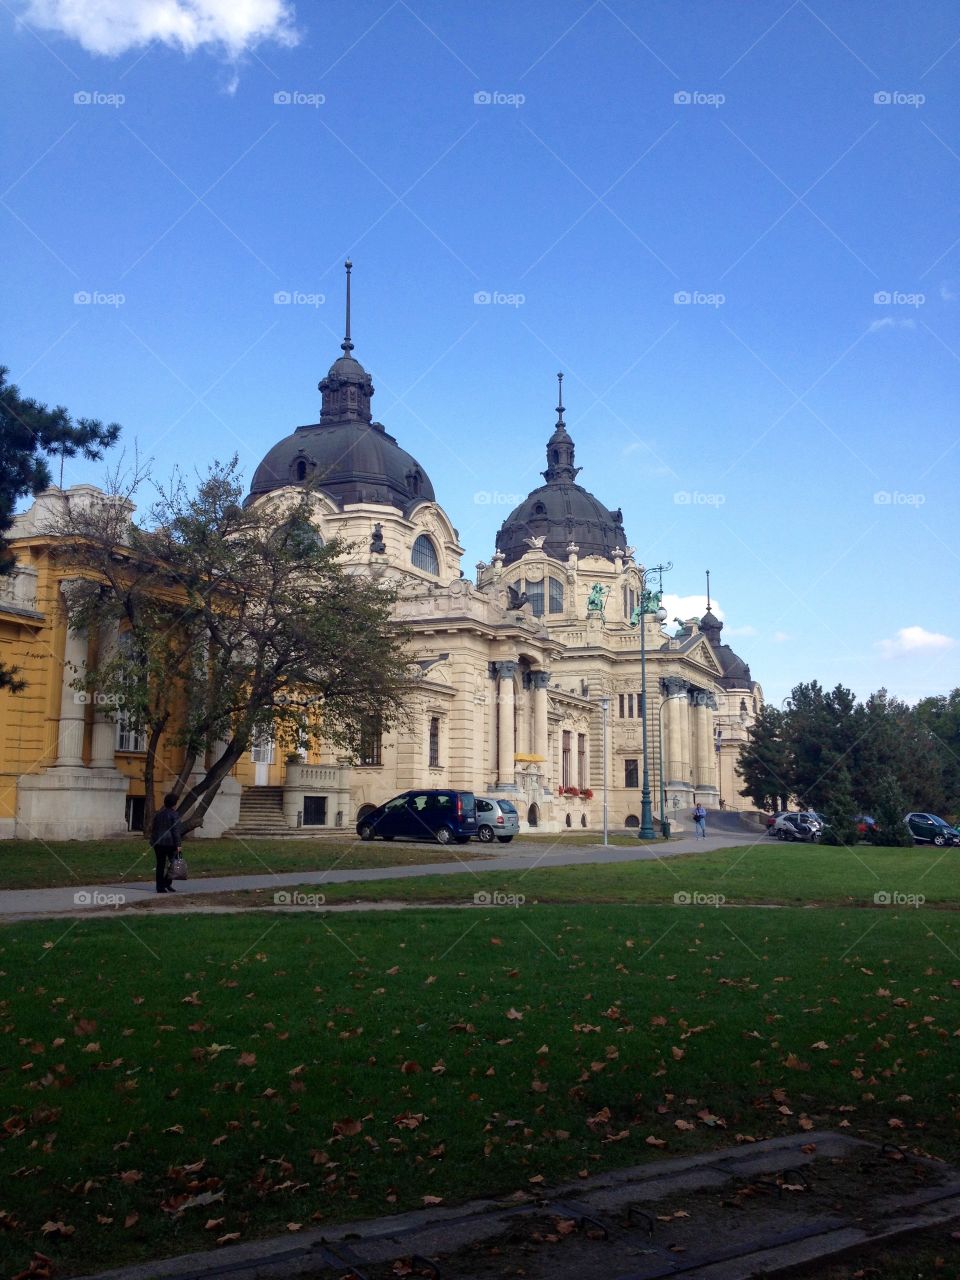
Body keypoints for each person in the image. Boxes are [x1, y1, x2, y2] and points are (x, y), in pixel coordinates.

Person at [150, 793, 182, 893]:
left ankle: (160, 886)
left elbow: (154, 828)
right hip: (170, 843)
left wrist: (153, 840)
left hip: (158, 843)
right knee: (174, 863)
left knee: (160, 864)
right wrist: (179, 845)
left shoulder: (159, 813)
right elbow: (176, 831)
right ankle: (167, 883)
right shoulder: (174, 814)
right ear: (174, 804)